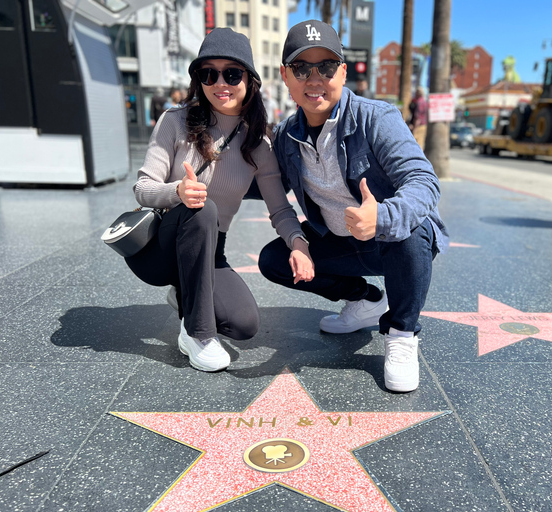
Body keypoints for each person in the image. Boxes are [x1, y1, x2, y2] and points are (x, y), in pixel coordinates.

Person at [258, 20, 448, 393]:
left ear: (343, 72)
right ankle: (366, 300)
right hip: (339, 242)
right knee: (274, 260)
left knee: (412, 228)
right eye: (301, 68)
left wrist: (383, 217)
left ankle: (402, 333)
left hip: (388, 243)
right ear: (285, 76)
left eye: (326, 67)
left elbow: (424, 181)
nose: (315, 79)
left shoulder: (376, 118)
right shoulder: (284, 136)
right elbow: (263, 187)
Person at [126, 27, 313, 372]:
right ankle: (196, 333)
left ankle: (186, 293)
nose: (220, 83)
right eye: (208, 73)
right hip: (161, 246)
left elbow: (280, 207)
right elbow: (142, 188)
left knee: (244, 324)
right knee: (201, 207)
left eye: (232, 73)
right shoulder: (175, 120)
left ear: (250, 80)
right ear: (199, 80)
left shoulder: (257, 141)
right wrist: (177, 191)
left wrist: (298, 244)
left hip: (211, 249)